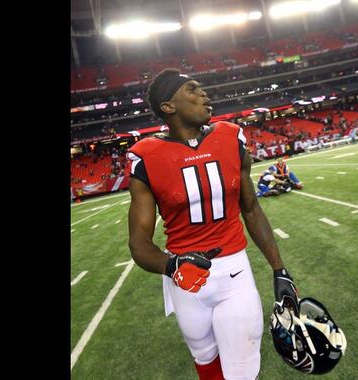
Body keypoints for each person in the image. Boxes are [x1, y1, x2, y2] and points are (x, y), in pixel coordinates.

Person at [127, 68, 299, 380]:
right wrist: (172, 265)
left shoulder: (230, 137)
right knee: (206, 363)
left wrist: (279, 268)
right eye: (192, 89)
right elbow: (138, 243)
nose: (204, 94)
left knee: (242, 372)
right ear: (168, 107)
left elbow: (252, 209)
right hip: (186, 280)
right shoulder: (145, 157)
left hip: (234, 270)